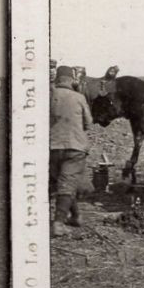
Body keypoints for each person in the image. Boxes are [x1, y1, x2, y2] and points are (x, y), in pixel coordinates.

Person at [49, 65, 92, 230]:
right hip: (76, 147)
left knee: (64, 181)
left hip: (53, 146)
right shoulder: (79, 97)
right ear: (71, 80)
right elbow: (88, 123)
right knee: (67, 182)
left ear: (57, 79)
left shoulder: (48, 96)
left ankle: (76, 216)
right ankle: (59, 222)